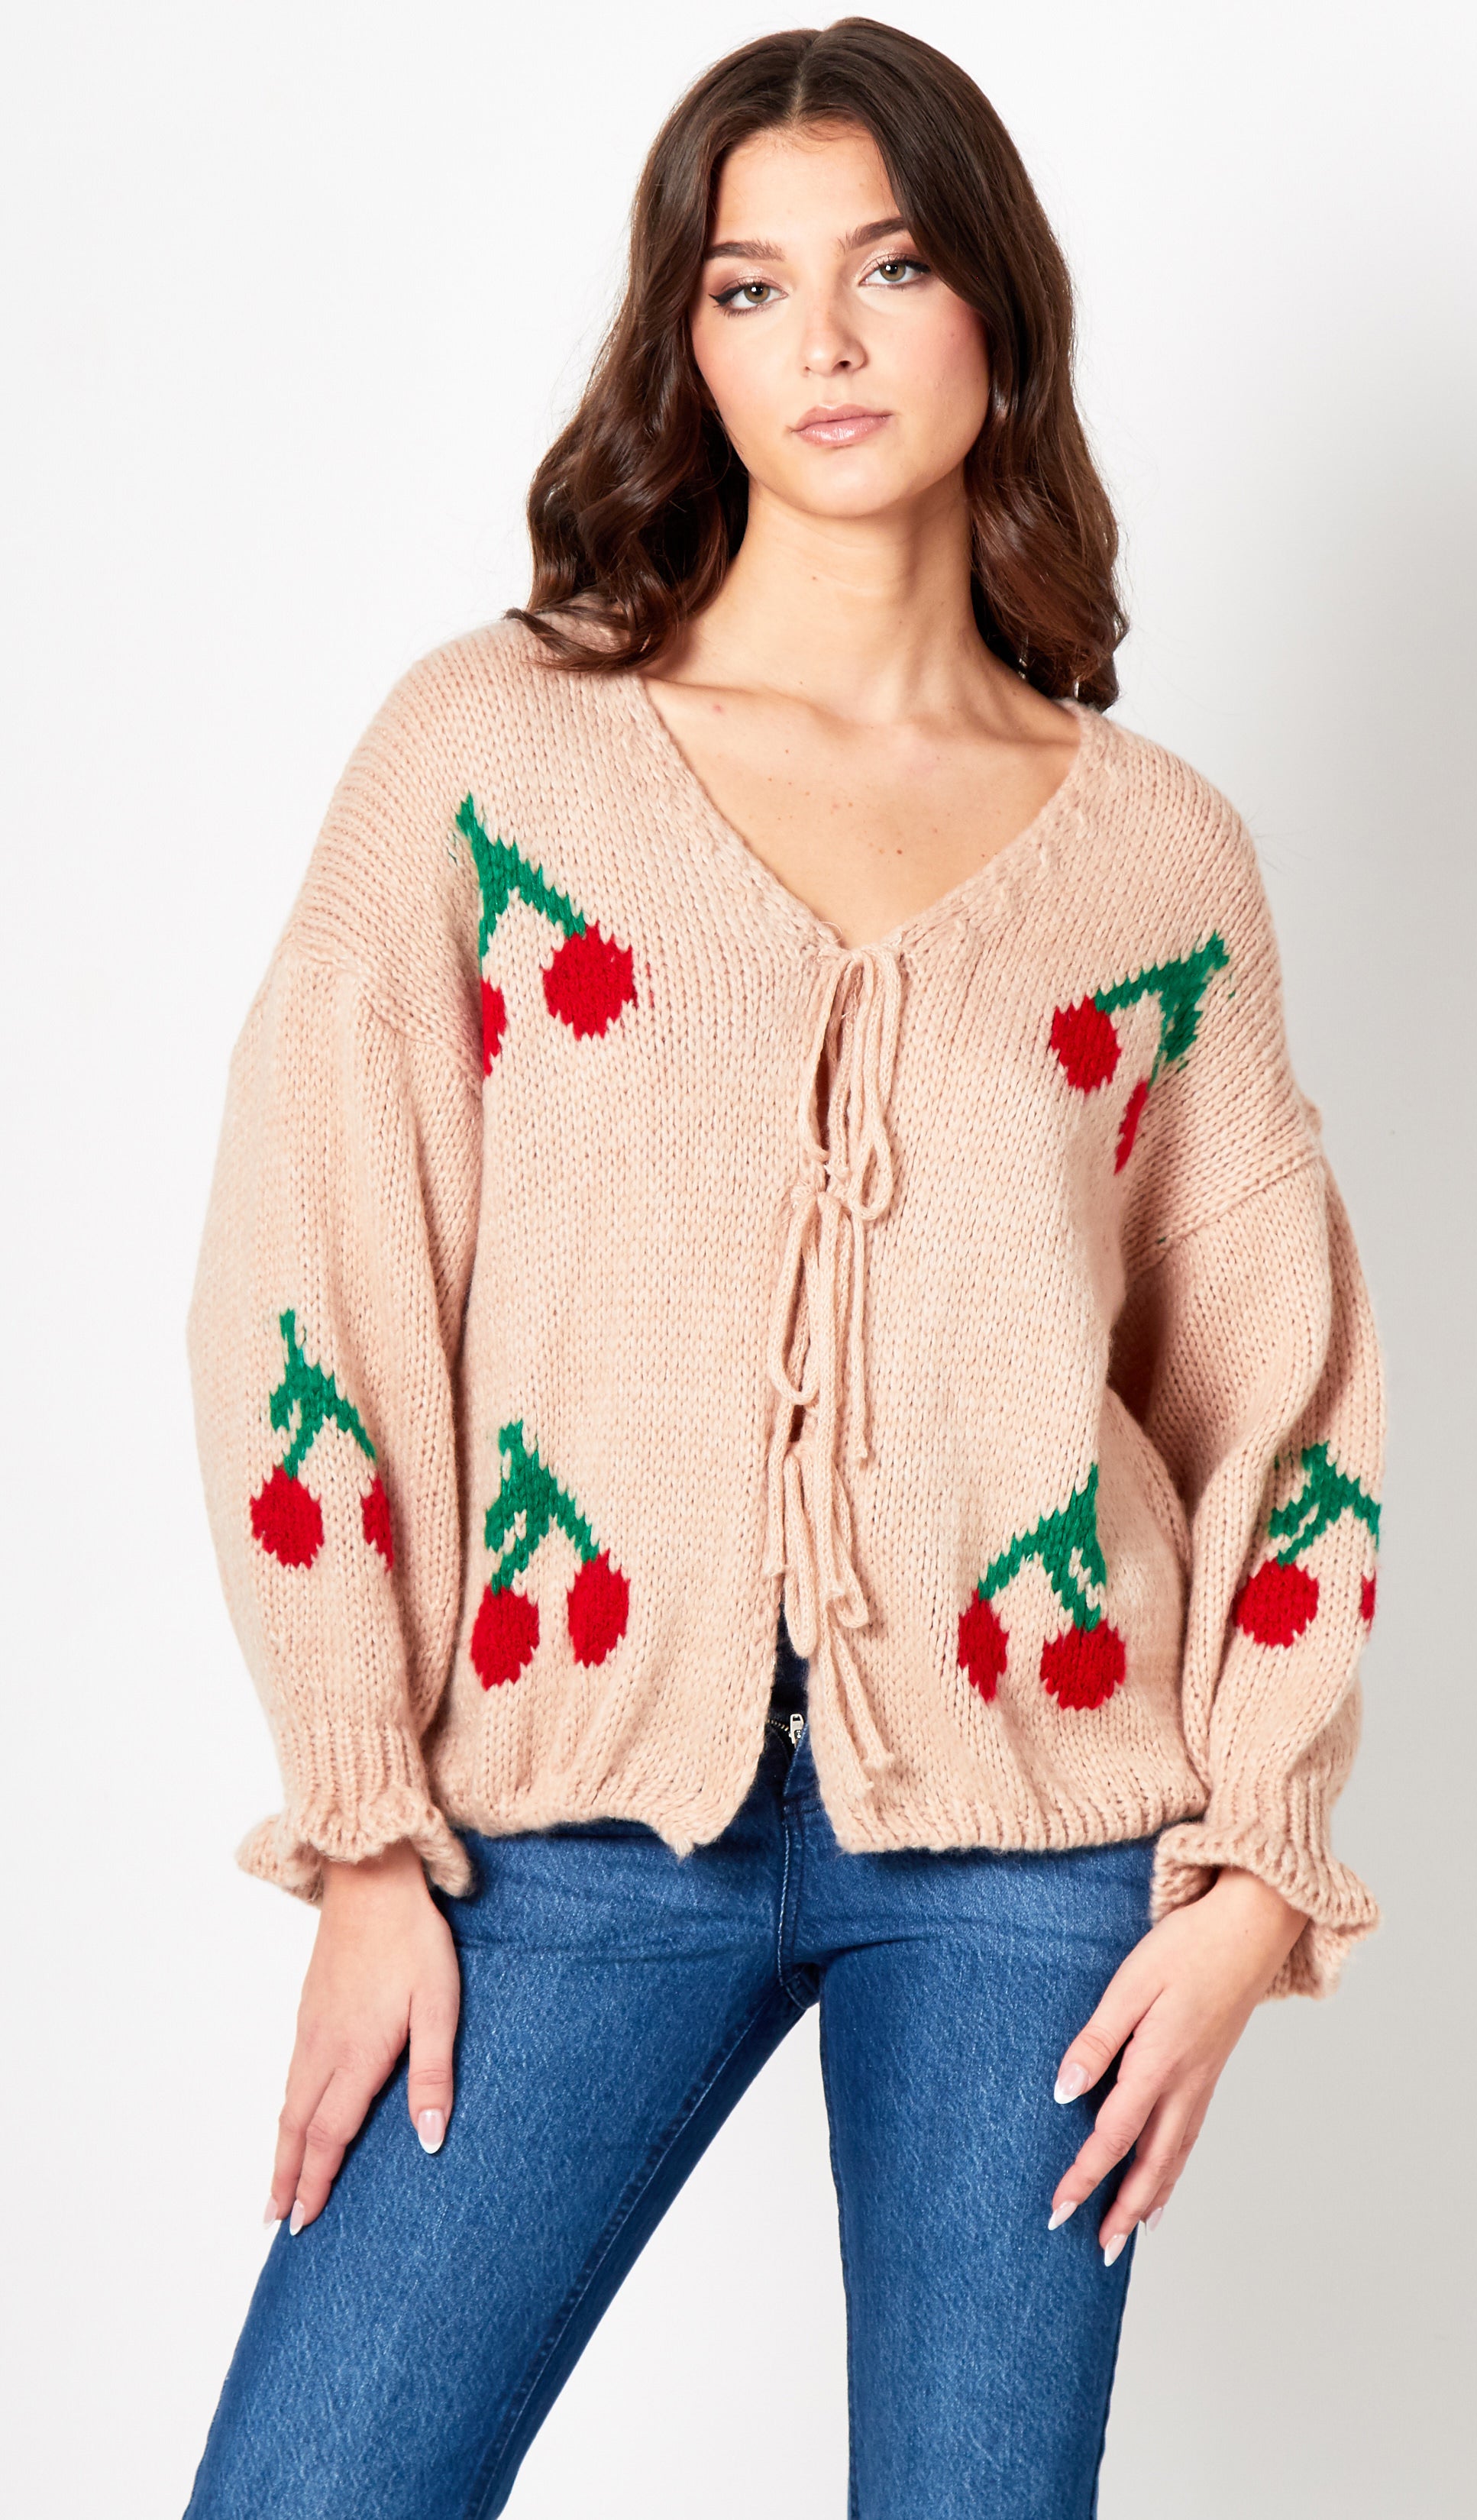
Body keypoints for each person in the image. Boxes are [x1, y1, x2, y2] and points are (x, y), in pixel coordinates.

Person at [183, 19, 1385, 2518]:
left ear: (995, 315)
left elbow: (1274, 1378)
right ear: (687, 339)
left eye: (888, 268)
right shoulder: (493, 754)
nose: (820, 342)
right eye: (747, 286)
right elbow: (312, 1272)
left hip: (1037, 1849)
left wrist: (1251, 1871)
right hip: (561, 1815)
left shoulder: (1154, 857)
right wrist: (366, 1825)